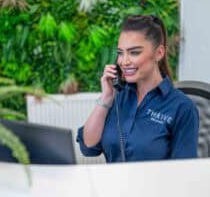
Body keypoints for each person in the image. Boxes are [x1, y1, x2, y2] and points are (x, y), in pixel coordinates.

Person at [76, 15, 199, 163]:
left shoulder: (182, 107)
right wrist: (106, 98)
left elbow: (185, 172)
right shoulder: (118, 97)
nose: (124, 61)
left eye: (134, 52)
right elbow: (88, 148)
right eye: (121, 53)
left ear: (159, 53)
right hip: (112, 184)